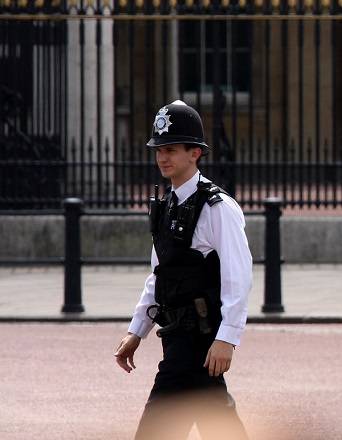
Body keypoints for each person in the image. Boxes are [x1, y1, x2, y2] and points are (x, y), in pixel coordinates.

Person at [113, 100, 251, 439]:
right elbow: (159, 274)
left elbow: (239, 276)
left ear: (195, 153)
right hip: (175, 336)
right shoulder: (170, 204)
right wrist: (138, 329)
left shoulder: (218, 208)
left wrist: (226, 339)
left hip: (199, 339)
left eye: (171, 149)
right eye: (159, 149)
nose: (162, 157)